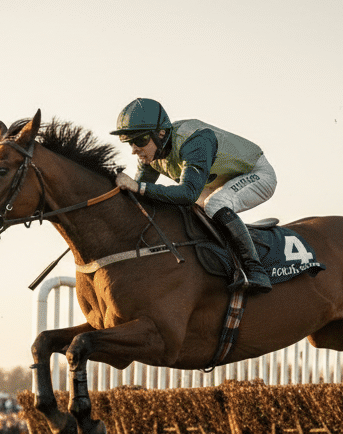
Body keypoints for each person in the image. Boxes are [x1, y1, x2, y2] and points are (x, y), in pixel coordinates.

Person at [111, 98, 276, 293]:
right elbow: (138, 195)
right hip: (217, 184)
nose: (134, 149)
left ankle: (256, 271)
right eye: (130, 142)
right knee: (190, 211)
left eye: (140, 140)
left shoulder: (194, 141)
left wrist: (139, 187)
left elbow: (187, 193)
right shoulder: (151, 153)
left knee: (215, 204)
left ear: (161, 133)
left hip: (256, 173)